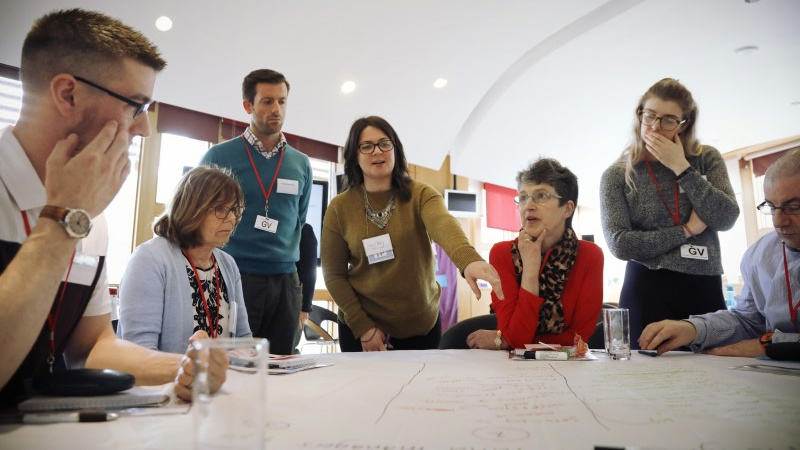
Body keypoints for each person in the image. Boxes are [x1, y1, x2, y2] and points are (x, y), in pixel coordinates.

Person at [0, 9, 225, 406]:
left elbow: (90, 347)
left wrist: (185, 366)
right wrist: (64, 218)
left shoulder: (90, 218)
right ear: (68, 94)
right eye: (135, 106)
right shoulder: (76, 215)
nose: (144, 128)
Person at [321, 115, 504, 352]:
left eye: (385, 143)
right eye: (366, 146)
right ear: (354, 156)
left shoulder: (421, 195)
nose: (377, 151)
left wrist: (468, 261)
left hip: (420, 327)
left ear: (395, 149)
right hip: (361, 328)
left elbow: (443, 225)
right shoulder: (340, 207)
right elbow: (334, 275)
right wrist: (364, 328)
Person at [600, 78, 740, 348]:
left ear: (683, 124)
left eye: (667, 120)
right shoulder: (617, 174)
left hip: (704, 283)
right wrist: (686, 231)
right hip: (647, 287)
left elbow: (726, 218)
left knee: (711, 377)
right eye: (649, 115)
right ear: (639, 114)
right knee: (648, 380)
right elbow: (620, 244)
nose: (654, 127)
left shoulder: (705, 158)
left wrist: (681, 168)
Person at [639, 149, 800, 357]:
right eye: (771, 206)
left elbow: (761, 337)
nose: (778, 221)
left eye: (794, 207)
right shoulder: (758, 256)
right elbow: (748, 320)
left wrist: (768, 344)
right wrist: (693, 329)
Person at [200, 69, 312, 355]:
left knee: (281, 368)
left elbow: (298, 220)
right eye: (267, 101)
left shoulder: (301, 164)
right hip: (234, 277)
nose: (277, 109)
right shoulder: (218, 157)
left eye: (282, 102)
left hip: (286, 283)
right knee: (232, 364)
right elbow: (198, 218)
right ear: (248, 106)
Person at [466, 158, 604, 350]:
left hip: (569, 369)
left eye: (541, 196)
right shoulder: (502, 253)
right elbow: (516, 337)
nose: (528, 206)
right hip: (511, 371)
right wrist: (530, 270)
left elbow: (578, 339)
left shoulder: (590, 255)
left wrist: (505, 340)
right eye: (522, 197)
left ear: (567, 208)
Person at [117, 166, 252, 353]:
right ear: (192, 210)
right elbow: (140, 352)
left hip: (221, 380)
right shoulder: (149, 260)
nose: (231, 218)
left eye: (234, 210)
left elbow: (243, 340)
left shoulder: (227, 264)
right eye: (221, 209)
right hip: (164, 381)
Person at [292, 223, 318, 353]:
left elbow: (309, 272)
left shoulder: (304, 230)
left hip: (292, 303)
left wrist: (303, 308)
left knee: (286, 352)